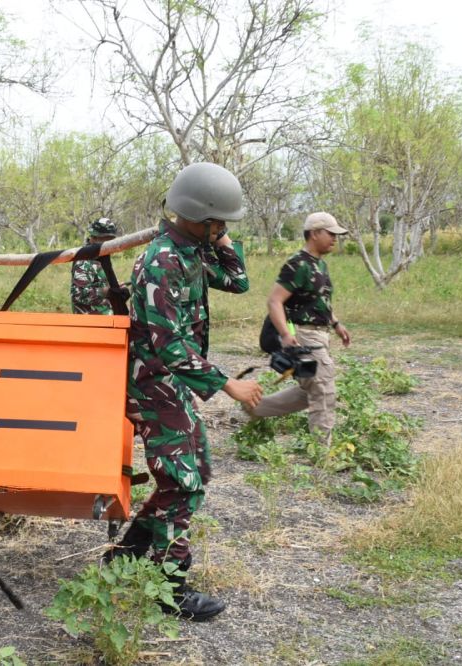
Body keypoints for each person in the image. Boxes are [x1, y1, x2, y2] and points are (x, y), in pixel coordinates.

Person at [105, 162, 263, 621]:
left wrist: (224, 242)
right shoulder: (161, 260)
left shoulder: (192, 251)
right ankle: (169, 587)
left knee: (195, 473)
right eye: (219, 221)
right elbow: (166, 340)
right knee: (183, 481)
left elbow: (238, 281)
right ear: (196, 215)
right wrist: (226, 383)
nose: (223, 228)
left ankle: (128, 554)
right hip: (154, 384)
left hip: (173, 384)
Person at [243, 211, 352, 441]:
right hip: (305, 336)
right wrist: (285, 334)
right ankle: (322, 452)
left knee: (310, 389)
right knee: (322, 389)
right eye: (330, 234)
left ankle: (254, 408)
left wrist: (336, 324)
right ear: (314, 233)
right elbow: (274, 301)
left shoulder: (320, 265)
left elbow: (320, 301)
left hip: (319, 335)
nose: (335, 239)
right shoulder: (297, 264)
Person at [71, 217, 119, 314]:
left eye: (112, 239)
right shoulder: (84, 260)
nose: (111, 243)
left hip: (107, 317)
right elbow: (79, 295)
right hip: (91, 321)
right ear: (95, 238)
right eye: (107, 239)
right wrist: (108, 291)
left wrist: (116, 288)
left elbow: (99, 282)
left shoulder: (102, 255)